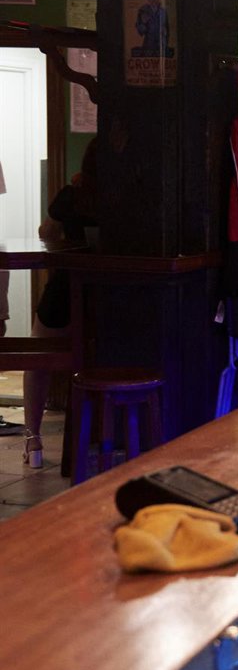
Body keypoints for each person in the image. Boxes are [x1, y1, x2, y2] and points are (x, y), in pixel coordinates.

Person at [21, 140, 99, 468]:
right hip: (109, 296)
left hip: (65, 291)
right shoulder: (129, 196)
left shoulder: (71, 196)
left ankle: (33, 439)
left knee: (37, 357)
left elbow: (46, 232)